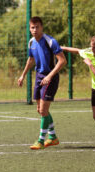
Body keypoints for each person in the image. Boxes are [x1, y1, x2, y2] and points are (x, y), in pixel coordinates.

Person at [18, 16, 67, 150]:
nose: (34, 30)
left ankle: (40, 141)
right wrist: (22, 75)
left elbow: (62, 61)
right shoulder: (31, 42)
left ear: (42, 27)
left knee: (44, 110)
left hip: (50, 77)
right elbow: (31, 59)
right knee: (40, 110)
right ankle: (53, 137)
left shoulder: (50, 41)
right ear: (29, 28)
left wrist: (50, 76)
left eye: (37, 27)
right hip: (39, 77)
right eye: (32, 27)